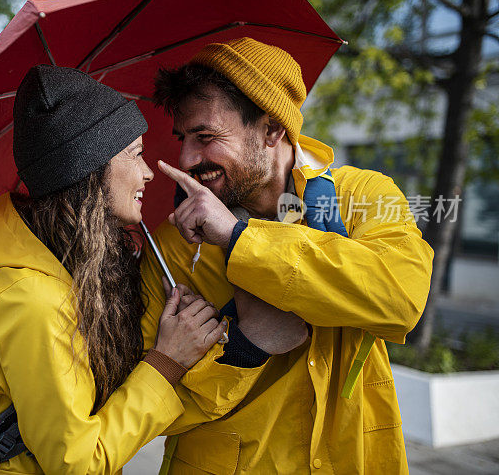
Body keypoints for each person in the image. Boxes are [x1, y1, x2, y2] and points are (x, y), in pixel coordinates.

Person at [138, 37, 435, 473]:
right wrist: (244, 347)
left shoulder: (364, 195)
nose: (186, 158)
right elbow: (149, 401)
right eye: (183, 138)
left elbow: (401, 301)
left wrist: (240, 240)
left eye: (206, 137)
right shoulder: (175, 243)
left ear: (272, 129)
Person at [0, 65, 227, 474]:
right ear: (87, 171)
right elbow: (78, 463)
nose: (147, 171)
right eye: (134, 155)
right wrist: (167, 362)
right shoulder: (33, 300)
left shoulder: (69, 269)